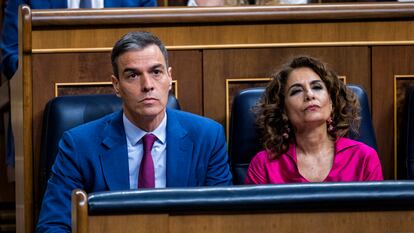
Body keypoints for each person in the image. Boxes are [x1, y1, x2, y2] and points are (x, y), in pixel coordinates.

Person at [36, 31, 232, 232]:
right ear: (116, 86)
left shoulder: (208, 137)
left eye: (156, 72)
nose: (147, 85)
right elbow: (53, 225)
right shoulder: (78, 145)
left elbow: (222, 221)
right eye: (133, 75)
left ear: (170, 78)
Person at [245, 56, 383, 184]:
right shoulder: (263, 165)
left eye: (317, 87)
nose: (309, 95)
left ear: (332, 103)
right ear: (283, 110)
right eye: (296, 91)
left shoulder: (364, 158)